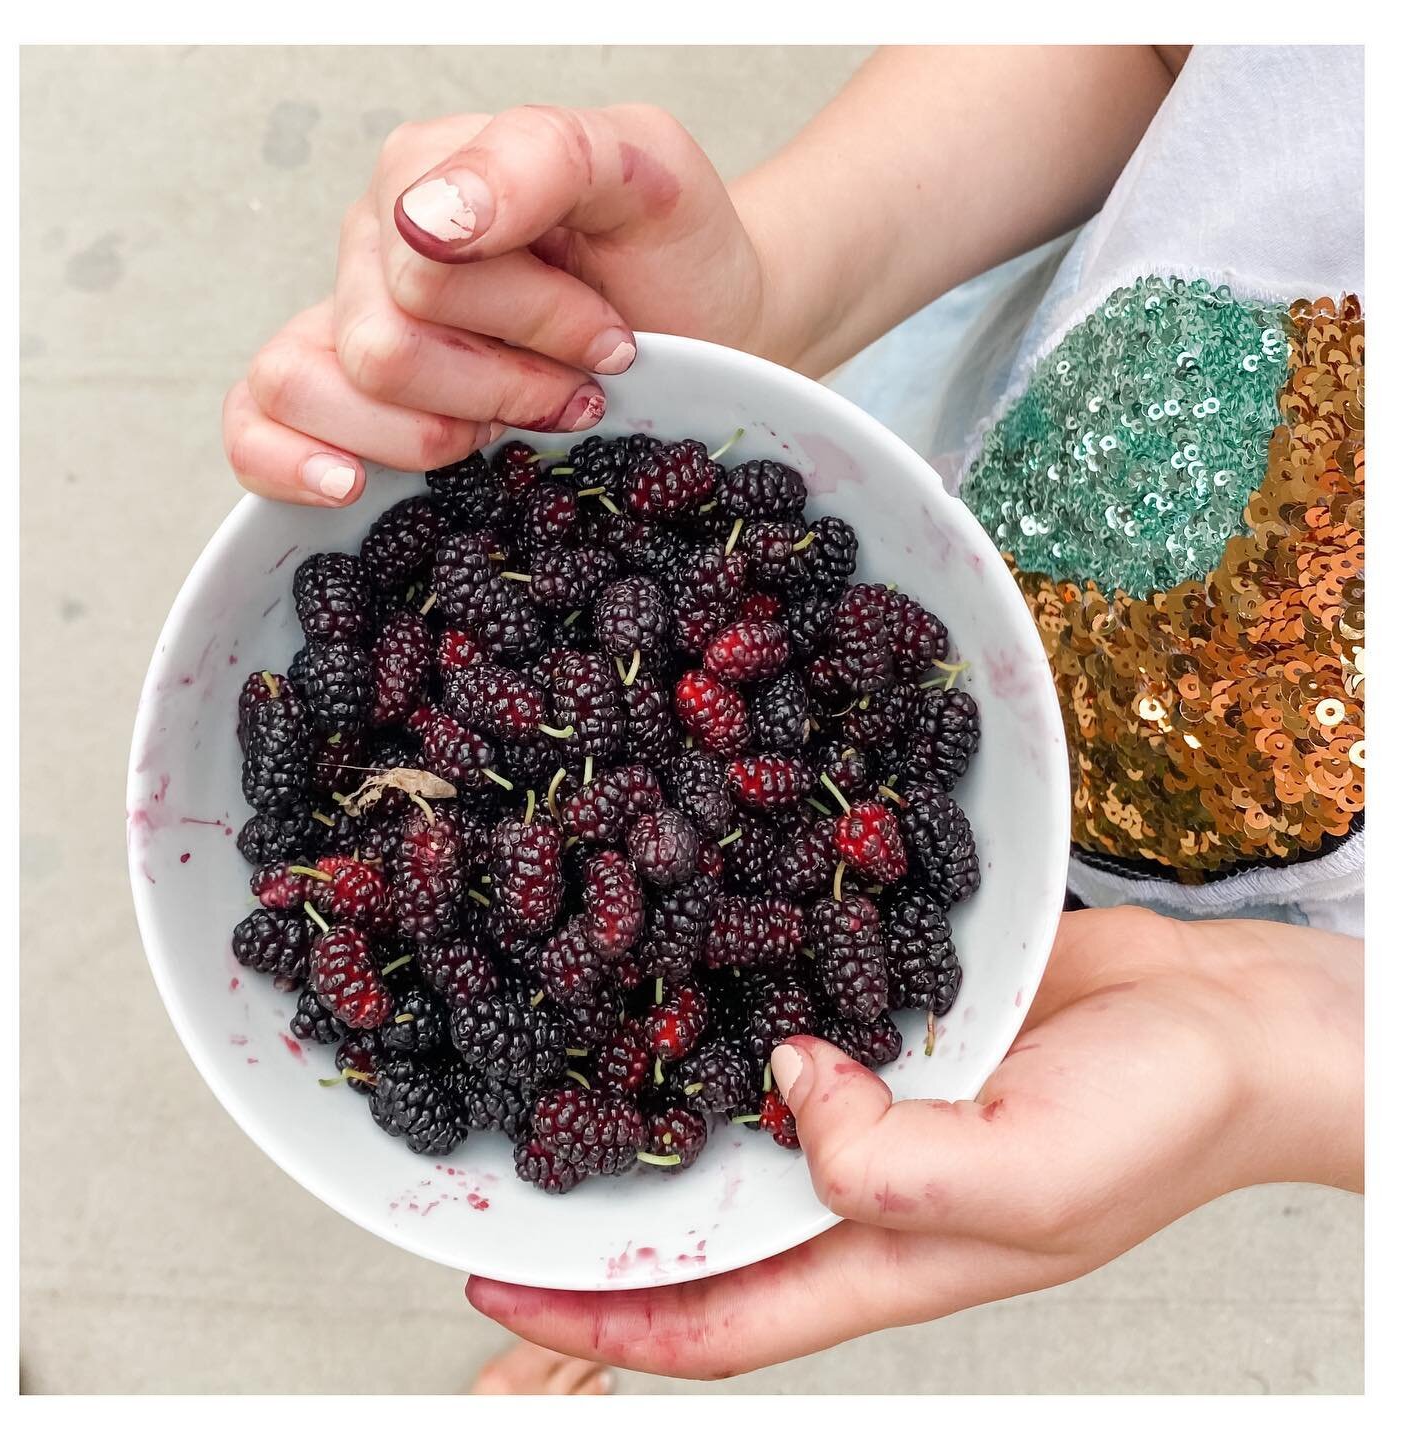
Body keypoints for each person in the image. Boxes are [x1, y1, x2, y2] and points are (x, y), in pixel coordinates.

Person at [223, 45, 1364, 1386]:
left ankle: (619, 1278)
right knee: (795, 967)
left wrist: (1301, 1064)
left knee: (816, 1044)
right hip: (928, 509)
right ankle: (605, 1265)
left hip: (1280, 962)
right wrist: (774, 285)